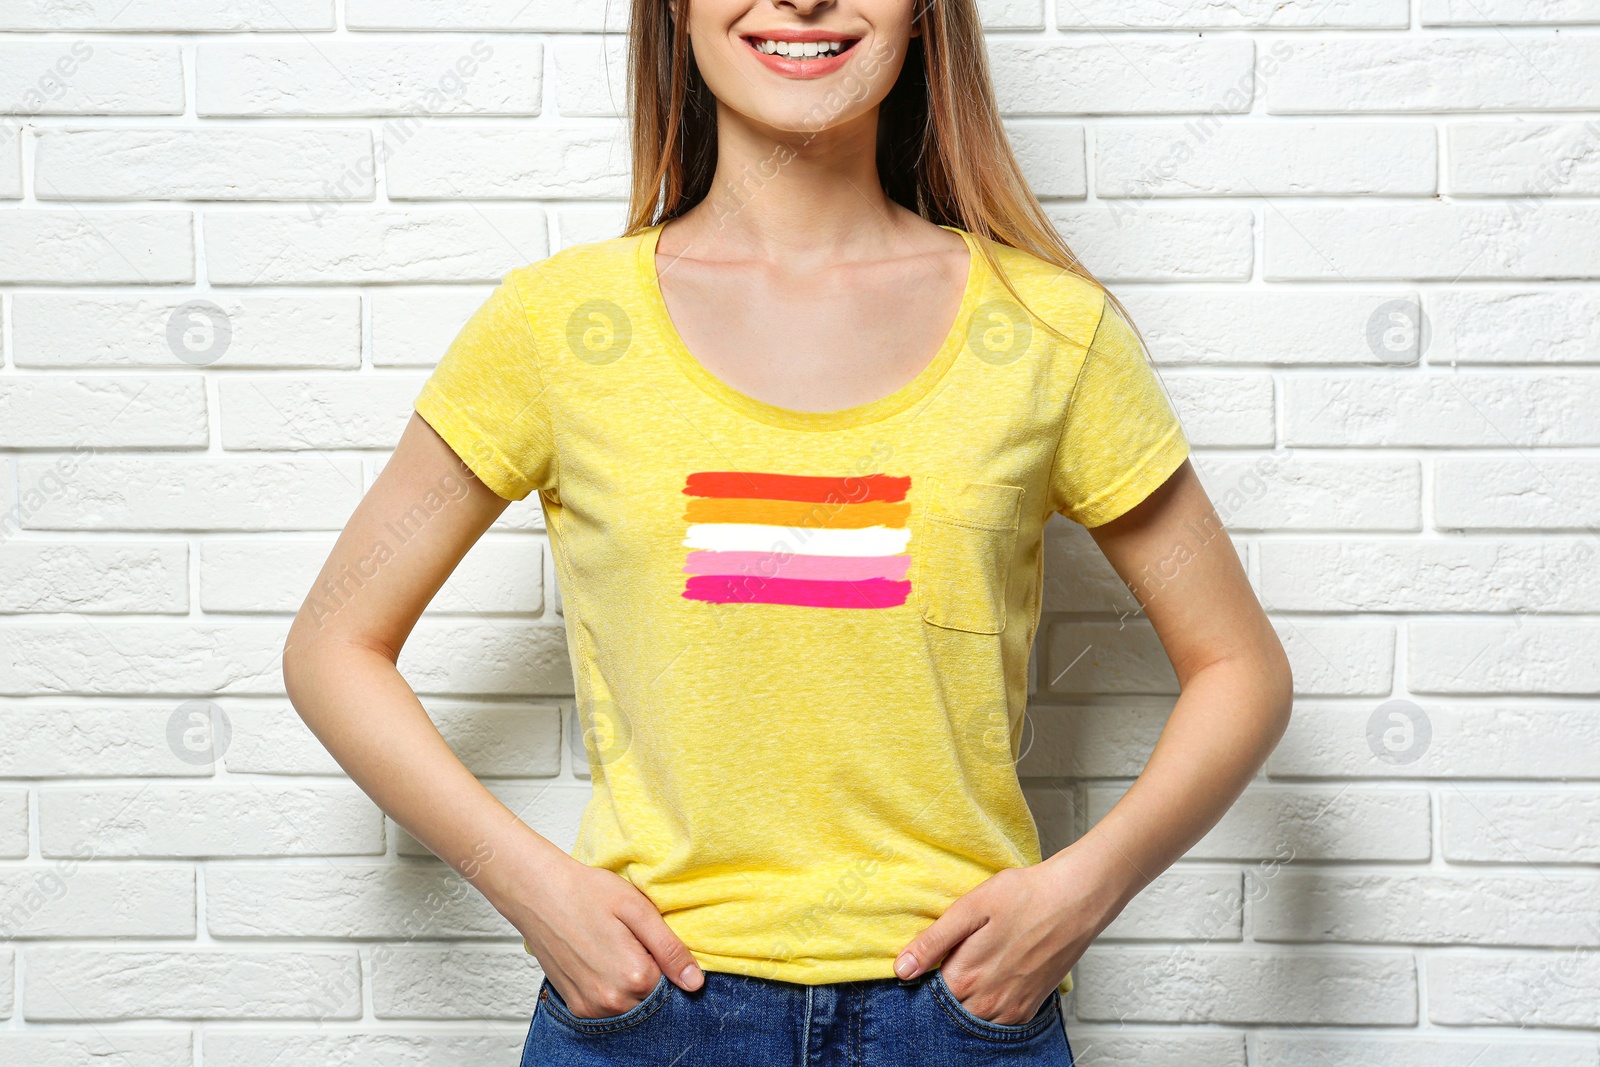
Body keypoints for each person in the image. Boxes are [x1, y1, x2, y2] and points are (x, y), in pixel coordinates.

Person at [281, 0, 1294, 1063]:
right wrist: (537, 890)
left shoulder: (1047, 331)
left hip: (952, 1018)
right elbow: (333, 645)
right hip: (648, 1016)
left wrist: (1079, 892)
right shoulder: (556, 327)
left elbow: (1239, 667)